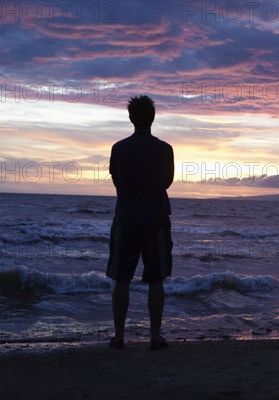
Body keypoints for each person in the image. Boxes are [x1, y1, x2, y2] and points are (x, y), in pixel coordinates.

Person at [106, 95, 174, 350]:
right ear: (152, 118)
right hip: (155, 220)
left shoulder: (119, 148)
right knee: (156, 280)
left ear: (131, 118)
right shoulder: (164, 149)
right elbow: (167, 181)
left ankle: (119, 336)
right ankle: (154, 337)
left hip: (126, 219)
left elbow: (116, 179)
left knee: (121, 279)